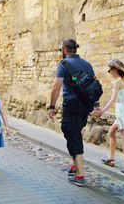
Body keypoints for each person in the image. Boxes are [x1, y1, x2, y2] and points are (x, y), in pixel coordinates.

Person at [48, 38, 98, 187]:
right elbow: (93, 85)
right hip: (85, 106)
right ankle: (74, 164)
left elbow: (56, 86)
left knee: (72, 133)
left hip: (71, 105)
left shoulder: (63, 64)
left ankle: (80, 175)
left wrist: (51, 106)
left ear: (64, 49)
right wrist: (96, 105)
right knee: (75, 132)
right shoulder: (87, 64)